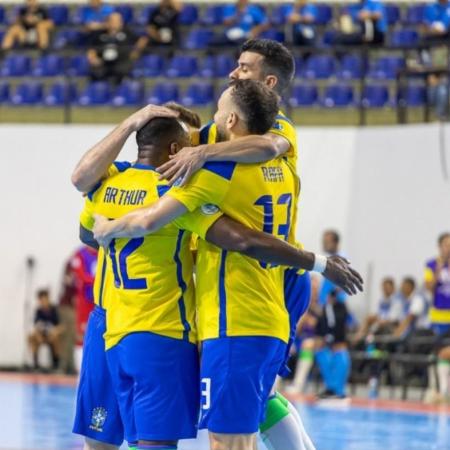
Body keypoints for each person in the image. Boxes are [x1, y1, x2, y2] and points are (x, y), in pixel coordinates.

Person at [72, 100, 362, 450]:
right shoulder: (179, 194)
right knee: (236, 412)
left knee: (107, 439)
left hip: (118, 328)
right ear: (175, 147)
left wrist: (113, 222)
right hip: (168, 330)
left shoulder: (108, 184)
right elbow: (241, 239)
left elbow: (88, 225)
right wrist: (317, 261)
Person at [315, 230, 352, 402]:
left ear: (336, 242)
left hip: (335, 307)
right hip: (328, 308)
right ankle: (332, 387)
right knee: (322, 345)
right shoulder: (329, 259)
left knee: (338, 345)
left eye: (327, 241)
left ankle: (338, 389)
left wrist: (333, 297)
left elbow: (344, 281)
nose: (324, 243)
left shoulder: (340, 258)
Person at [424, 232, 450, 404]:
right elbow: (429, 288)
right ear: (440, 246)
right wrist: (439, 270)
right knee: (442, 353)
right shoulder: (431, 264)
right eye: (446, 245)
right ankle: (441, 392)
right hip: (438, 316)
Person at [87, 12, 137, 85]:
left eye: (119, 21)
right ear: (107, 22)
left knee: (122, 70)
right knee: (95, 71)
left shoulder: (127, 33)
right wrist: (93, 58)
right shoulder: (100, 34)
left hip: (121, 63)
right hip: (103, 63)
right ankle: (98, 92)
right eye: (113, 21)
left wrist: (135, 53)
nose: (116, 23)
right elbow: (92, 49)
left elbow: (141, 40)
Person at [70, 245, 97, 371]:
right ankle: (80, 370)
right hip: (85, 301)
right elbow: (80, 275)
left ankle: (95, 369)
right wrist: (96, 281)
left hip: (100, 302)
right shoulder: (80, 254)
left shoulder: (104, 251)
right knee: (82, 334)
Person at [28, 289, 62, 371]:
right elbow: (36, 326)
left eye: (45, 299)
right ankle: (35, 365)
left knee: (56, 338)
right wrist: (38, 335)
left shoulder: (54, 310)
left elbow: (60, 326)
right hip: (41, 334)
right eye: (41, 300)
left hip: (52, 334)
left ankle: (56, 364)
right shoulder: (38, 311)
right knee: (31, 337)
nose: (44, 302)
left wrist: (54, 332)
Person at [57, 261, 77, 375]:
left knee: (71, 337)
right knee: (66, 337)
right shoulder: (71, 272)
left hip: (71, 307)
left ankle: (68, 365)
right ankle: (64, 366)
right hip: (66, 307)